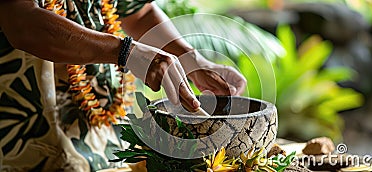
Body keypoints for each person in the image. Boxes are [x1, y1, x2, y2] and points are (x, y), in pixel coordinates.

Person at [0, 0, 246, 171]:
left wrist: (192, 60)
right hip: (27, 144)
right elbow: (21, 22)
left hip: (106, 141)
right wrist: (126, 51)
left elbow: (139, 13)